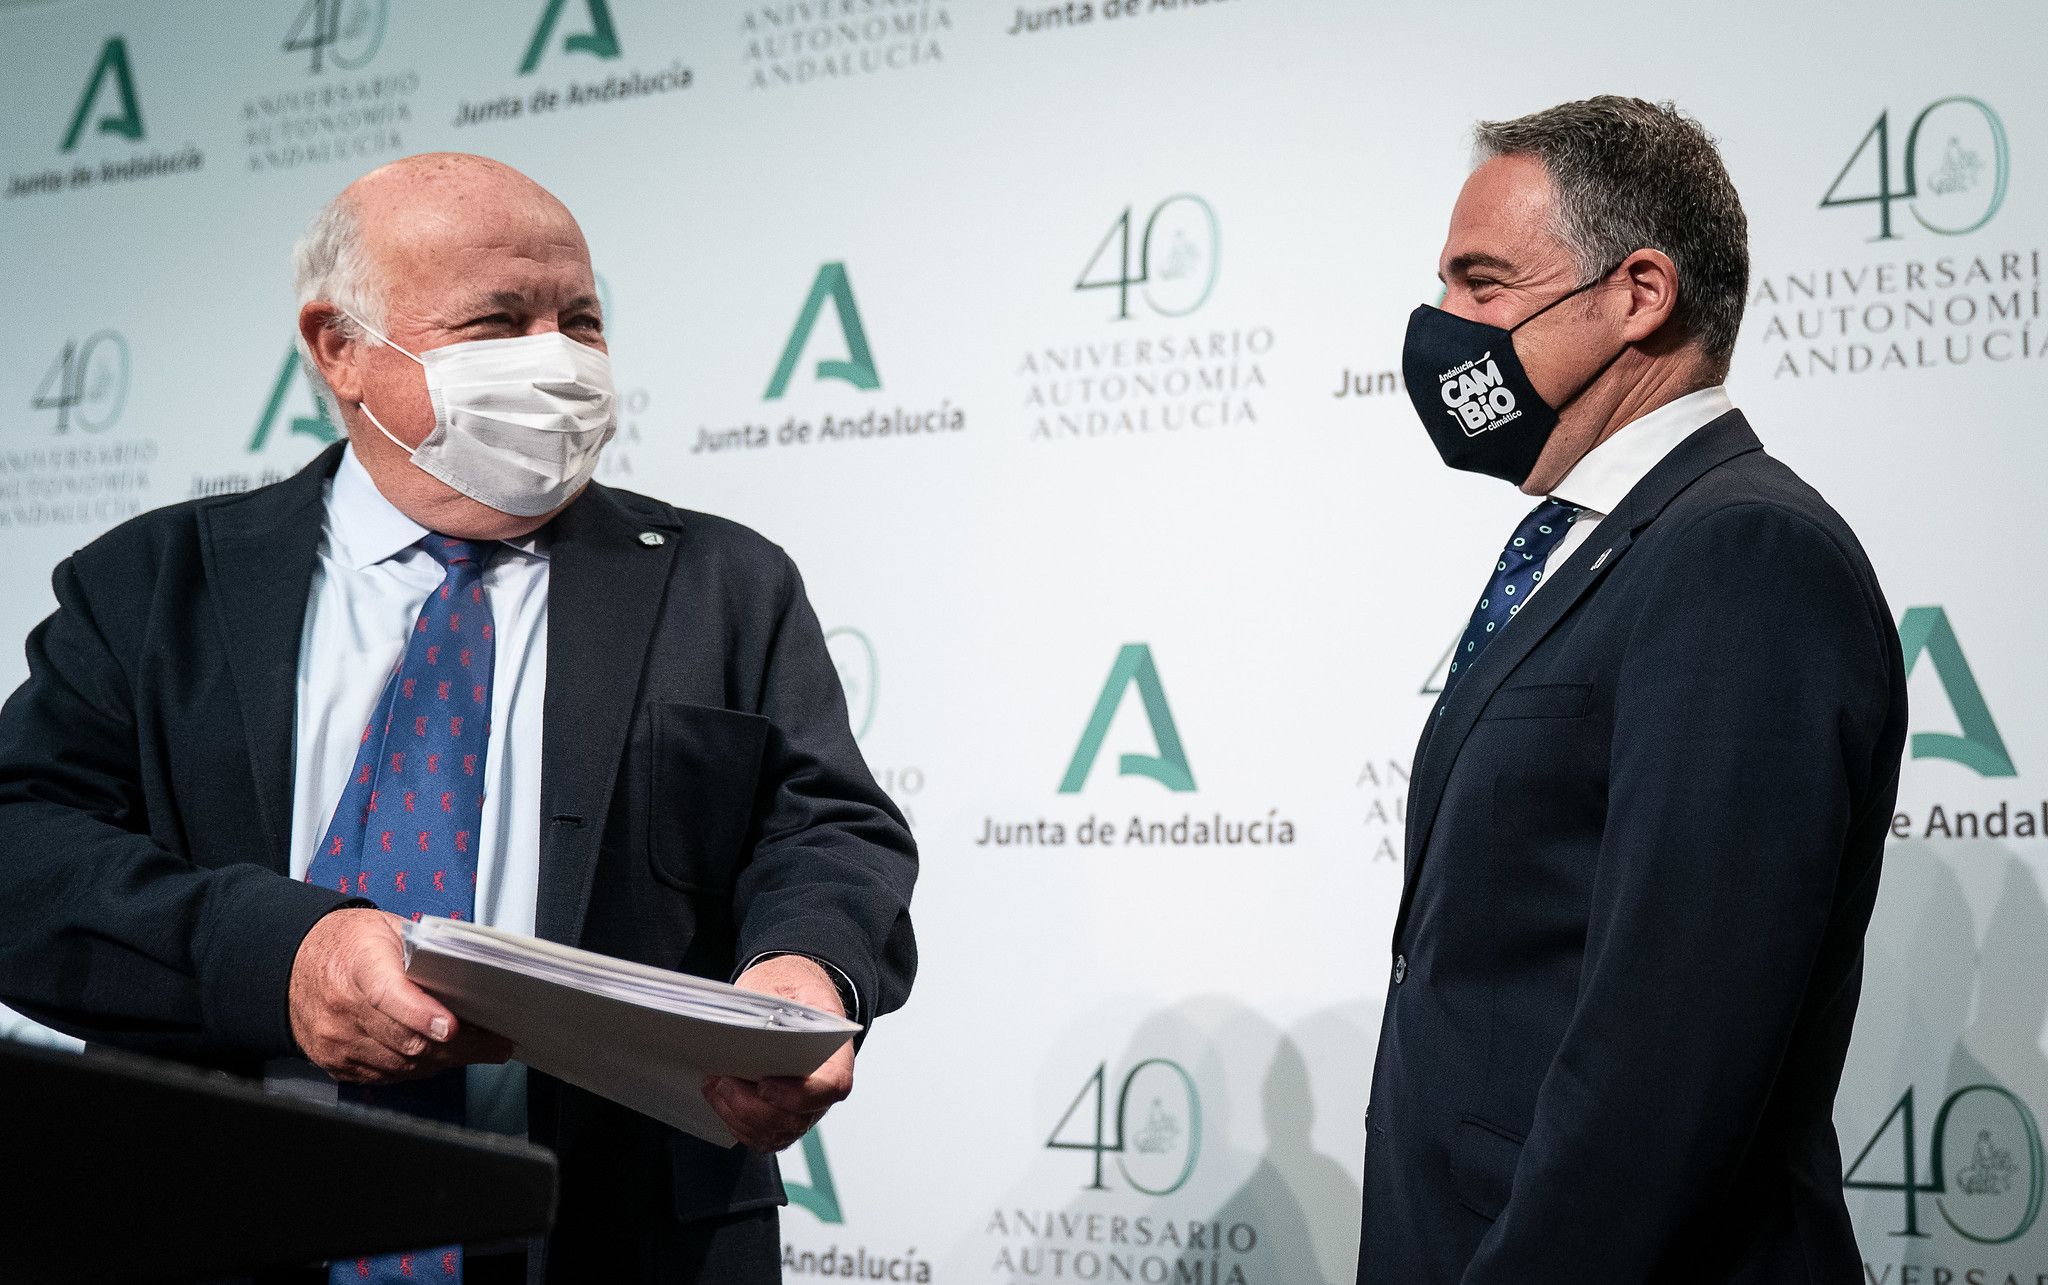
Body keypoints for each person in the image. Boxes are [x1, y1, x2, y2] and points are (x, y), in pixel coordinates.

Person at [0, 152, 917, 1284]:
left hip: (619, 1241)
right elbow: (24, 855)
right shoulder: (152, 586)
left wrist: (803, 972)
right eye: (499, 321)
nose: (558, 359)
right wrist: (280, 957)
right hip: (213, 1225)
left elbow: (828, 830)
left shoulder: (725, 582)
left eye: (581, 320)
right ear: (340, 348)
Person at [1359, 97, 1905, 1283]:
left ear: (1637, 293)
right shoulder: (1598, 542)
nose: (1440, 325)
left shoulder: (1743, 554)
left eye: (1481, 283)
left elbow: (1666, 1058)